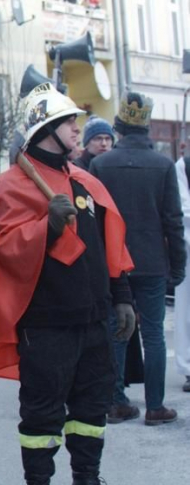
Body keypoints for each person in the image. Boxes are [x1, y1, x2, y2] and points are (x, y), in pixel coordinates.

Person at [0, 83, 135, 485]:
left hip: (94, 321)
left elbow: (107, 245)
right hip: (46, 325)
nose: (77, 130)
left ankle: (87, 477)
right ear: (45, 128)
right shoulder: (12, 185)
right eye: (69, 123)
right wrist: (47, 226)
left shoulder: (84, 181)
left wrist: (122, 297)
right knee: (42, 416)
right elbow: (1, 247)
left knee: (91, 411)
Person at [90, 91, 186, 425]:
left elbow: (95, 221)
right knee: (154, 334)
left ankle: (117, 401)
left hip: (115, 261)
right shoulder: (162, 165)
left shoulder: (100, 164)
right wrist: (178, 264)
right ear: (146, 128)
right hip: (153, 262)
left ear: (118, 127)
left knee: (117, 329)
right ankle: (155, 406)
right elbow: (173, 220)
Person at [175, 154, 190, 392]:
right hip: (189, 244)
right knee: (186, 309)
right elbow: (182, 207)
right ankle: (188, 366)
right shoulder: (184, 164)